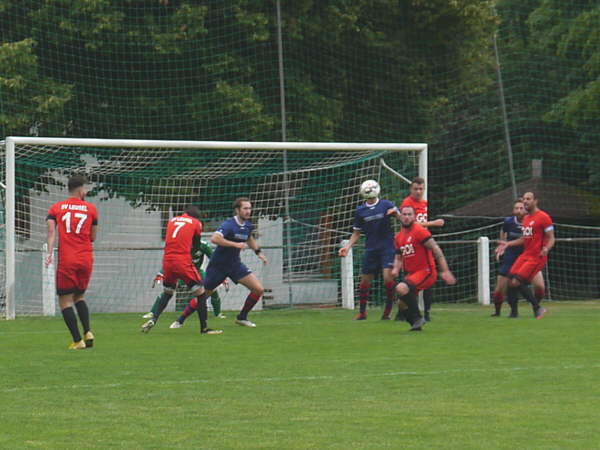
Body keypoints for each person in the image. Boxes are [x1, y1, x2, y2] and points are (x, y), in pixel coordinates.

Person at [171, 197, 267, 329]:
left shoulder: (248, 225)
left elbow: (249, 237)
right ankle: (180, 320)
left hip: (235, 265)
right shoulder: (229, 224)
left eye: (249, 208)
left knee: (258, 289)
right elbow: (215, 238)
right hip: (218, 266)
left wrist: (258, 253)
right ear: (237, 210)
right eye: (245, 208)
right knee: (203, 295)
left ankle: (242, 317)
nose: (248, 211)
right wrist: (235, 244)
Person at [141, 205, 222, 335]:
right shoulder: (196, 223)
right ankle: (204, 328)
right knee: (201, 293)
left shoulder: (172, 221)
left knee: (168, 292)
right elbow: (196, 244)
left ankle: (154, 319)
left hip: (167, 261)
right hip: (182, 261)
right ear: (196, 217)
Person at [45, 175, 98, 350]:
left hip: (68, 259)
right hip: (86, 258)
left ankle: (77, 340)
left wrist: (49, 252)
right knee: (79, 296)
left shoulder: (56, 208)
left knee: (65, 301)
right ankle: (88, 331)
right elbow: (93, 237)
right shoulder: (91, 209)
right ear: (81, 189)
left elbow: (51, 233)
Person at [339, 181, 398, 320]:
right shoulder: (360, 211)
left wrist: (395, 213)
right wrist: (347, 247)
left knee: (387, 279)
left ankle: (387, 312)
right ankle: (362, 312)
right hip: (371, 249)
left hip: (387, 248)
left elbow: (402, 218)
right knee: (365, 281)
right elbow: (356, 233)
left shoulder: (386, 204)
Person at [392, 205, 456, 330]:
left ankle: (418, 317)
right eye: (404, 214)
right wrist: (395, 269)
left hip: (426, 271)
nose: (406, 217)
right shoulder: (398, 237)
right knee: (400, 304)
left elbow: (436, 248)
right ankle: (416, 326)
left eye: (409, 214)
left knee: (401, 288)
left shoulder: (419, 230)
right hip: (412, 274)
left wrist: (445, 270)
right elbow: (399, 257)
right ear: (400, 217)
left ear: (414, 216)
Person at [496, 192, 554, 319]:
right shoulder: (527, 219)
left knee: (517, 281)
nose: (526, 201)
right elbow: (524, 239)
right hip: (525, 255)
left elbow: (551, 238)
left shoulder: (543, 217)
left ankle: (537, 308)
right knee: (511, 280)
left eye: (528, 199)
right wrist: (508, 244)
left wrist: (546, 248)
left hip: (536, 257)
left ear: (535, 201)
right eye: (524, 199)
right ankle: (514, 313)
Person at [143, 239, 228, 320]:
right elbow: (171, 261)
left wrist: (221, 275)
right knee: (169, 290)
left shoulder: (203, 245)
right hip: (183, 272)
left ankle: (217, 313)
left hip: (197, 272)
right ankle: (153, 313)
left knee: (212, 287)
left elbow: (214, 260)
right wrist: (161, 273)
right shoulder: (180, 246)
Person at [399, 177, 445, 321]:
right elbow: (413, 223)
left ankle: (425, 313)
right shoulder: (407, 203)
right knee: (411, 279)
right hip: (411, 243)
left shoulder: (424, 203)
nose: (418, 192)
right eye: (416, 189)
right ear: (410, 189)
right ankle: (407, 312)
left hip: (423, 242)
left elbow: (419, 225)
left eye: (421, 189)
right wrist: (434, 223)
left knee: (426, 279)